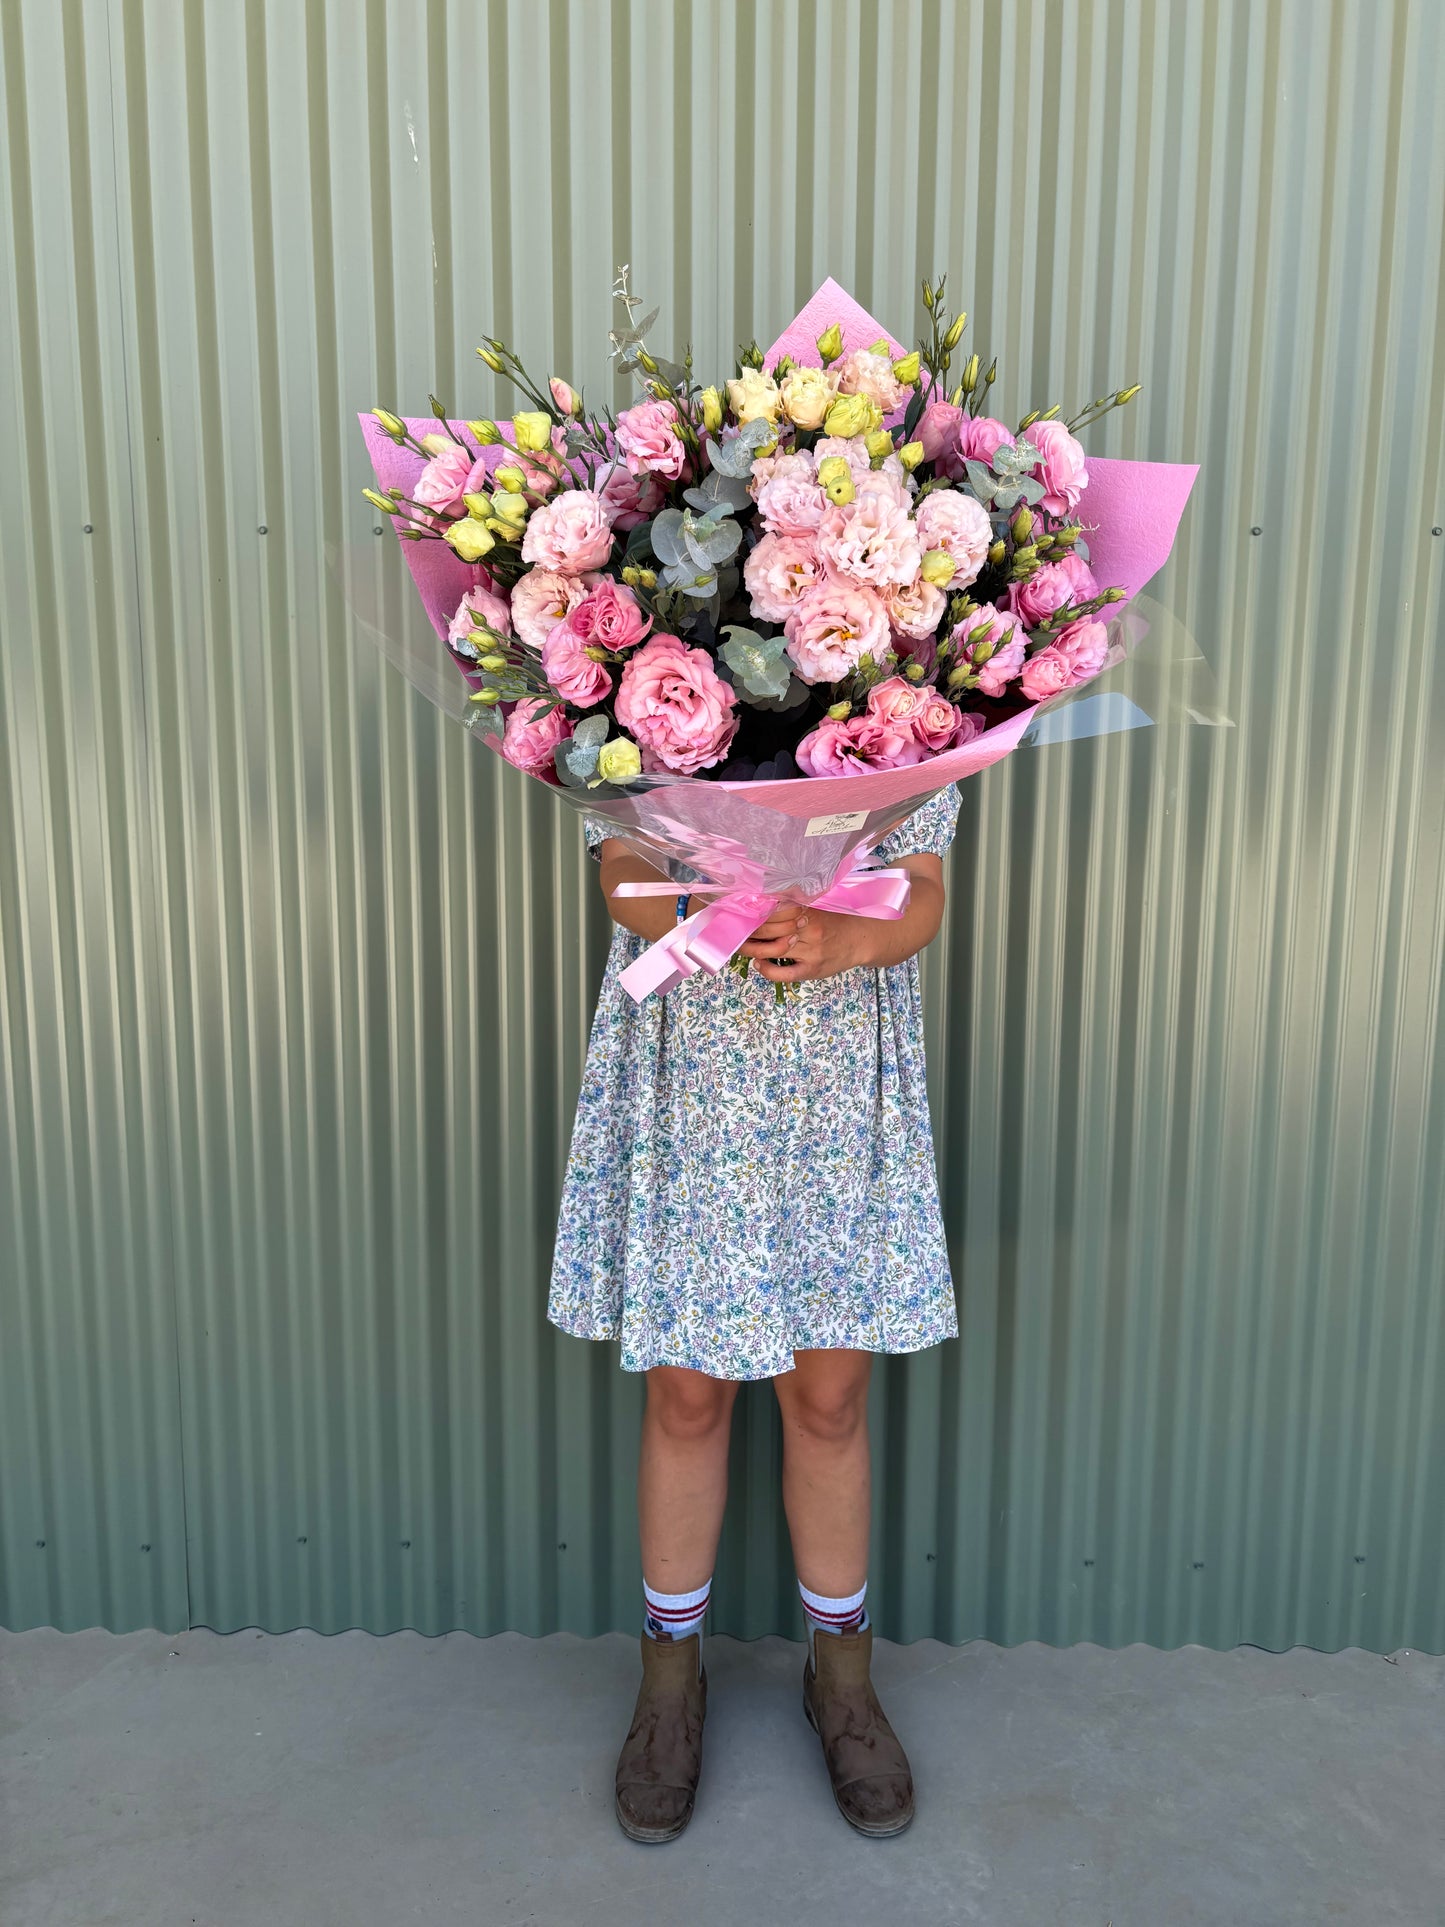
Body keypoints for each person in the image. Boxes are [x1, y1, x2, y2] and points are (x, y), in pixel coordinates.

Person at [548, 786, 961, 1842]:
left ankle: (844, 1680)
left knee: (827, 1400)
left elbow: (919, 897)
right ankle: (669, 1686)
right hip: (696, 1062)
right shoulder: (644, 681)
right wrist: (714, 929)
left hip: (836, 1069)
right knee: (687, 1396)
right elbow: (619, 879)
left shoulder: (896, 701)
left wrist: (834, 934)